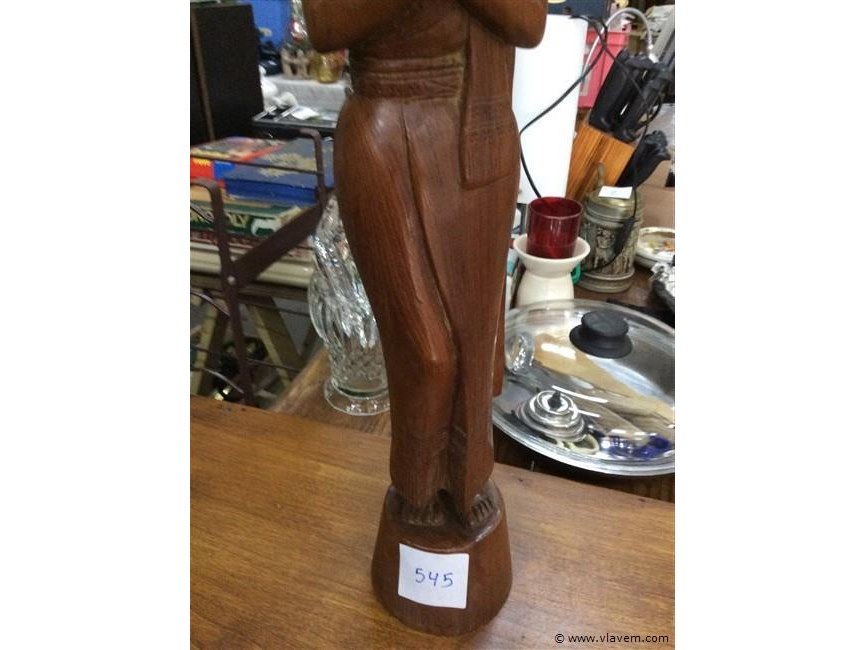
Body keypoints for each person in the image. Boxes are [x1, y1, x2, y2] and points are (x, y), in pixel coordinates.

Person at [303, 0, 546, 525]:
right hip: (385, 128)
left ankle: (464, 478)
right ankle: (416, 484)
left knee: (477, 343)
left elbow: (528, 23)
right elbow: (327, 25)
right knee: (426, 351)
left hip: (479, 136)